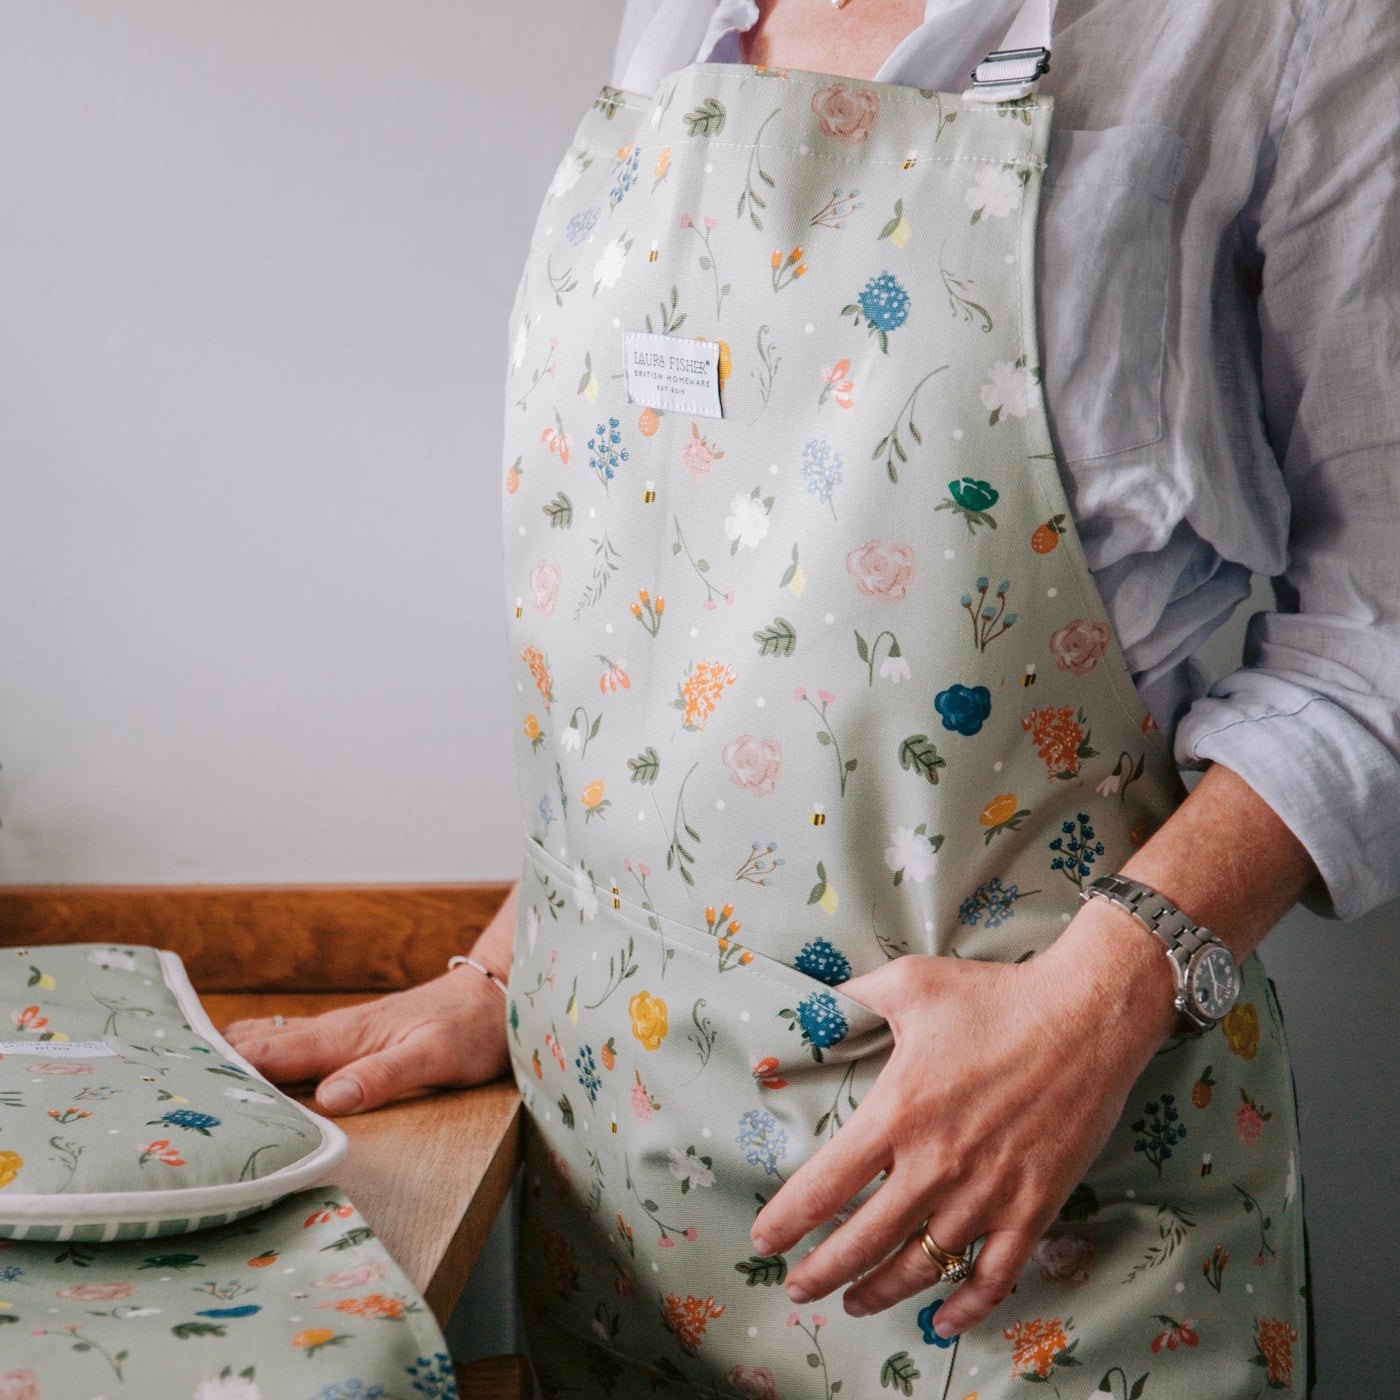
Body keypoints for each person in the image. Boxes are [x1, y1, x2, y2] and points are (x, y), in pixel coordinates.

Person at [225, 0, 1400, 1394]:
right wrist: (514, 962)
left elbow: (1379, 623)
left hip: (1033, 1223)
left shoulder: (1287, 27)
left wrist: (1101, 1002)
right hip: (621, 1198)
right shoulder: (679, 22)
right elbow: (694, 598)